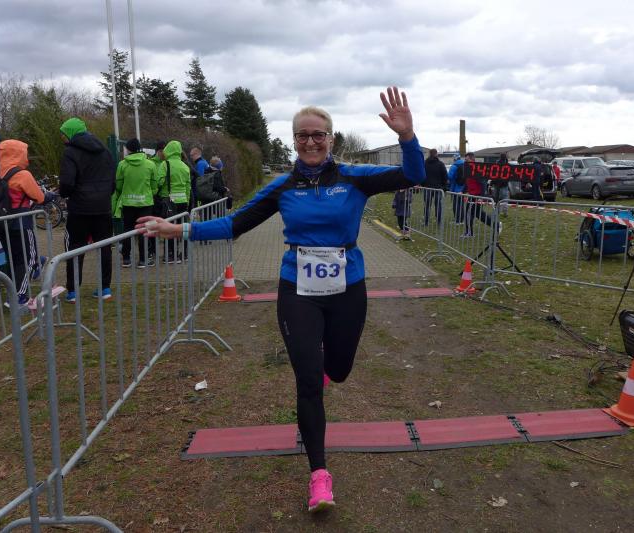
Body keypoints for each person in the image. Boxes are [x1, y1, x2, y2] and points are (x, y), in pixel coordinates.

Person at [136, 86, 425, 512]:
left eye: (318, 134)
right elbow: (235, 224)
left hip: (347, 288)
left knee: (338, 370)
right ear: (294, 141)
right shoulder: (283, 186)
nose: (311, 141)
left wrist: (407, 137)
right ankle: (319, 475)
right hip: (298, 291)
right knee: (308, 382)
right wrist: (180, 230)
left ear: (331, 139)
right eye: (303, 135)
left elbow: (414, 174)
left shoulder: (354, 178)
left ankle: (325, 370)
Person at [58, 117, 115, 303]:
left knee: (75, 248)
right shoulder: (105, 151)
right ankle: (105, 288)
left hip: (80, 209)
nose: (62, 138)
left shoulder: (70, 152)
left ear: (71, 133)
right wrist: (105, 195)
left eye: (63, 134)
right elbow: (112, 179)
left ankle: (73, 291)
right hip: (103, 208)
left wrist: (64, 194)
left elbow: (67, 183)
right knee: (104, 247)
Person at [0, 140, 54, 306]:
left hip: (2, 225)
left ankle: (14, 292)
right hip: (21, 222)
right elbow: (39, 198)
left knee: (13, 260)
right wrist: (50, 196)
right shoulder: (22, 174)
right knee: (27, 258)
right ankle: (18, 297)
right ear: (18, 153)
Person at [116, 138, 158, 268]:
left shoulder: (122, 164)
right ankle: (144, 259)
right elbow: (154, 185)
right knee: (145, 230)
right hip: (146, 203)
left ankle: (126, 259)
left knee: (127, 229)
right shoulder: (150, 164)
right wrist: (149, 193)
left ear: (128, 149)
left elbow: (118, 185)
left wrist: (123, 194)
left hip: (128, 202)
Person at [155, 140, 191, 263]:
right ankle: (185, 253)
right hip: (183, 201)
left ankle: (170, 255)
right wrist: (187, 201)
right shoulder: (185, 166)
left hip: (169, 201)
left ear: (168, 150)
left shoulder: (165, 165)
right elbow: (188, 187)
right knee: (183, 229)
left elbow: (159, 182)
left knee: (169, 228)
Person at [463, 152, 499, 237]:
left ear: (472, 159)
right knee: (479, 215)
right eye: (465, 160)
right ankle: (496, 226)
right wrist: (464, 191)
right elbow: (468, 182)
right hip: (471, 194)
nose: (465, 161)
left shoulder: (476, 169)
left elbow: (483, 183)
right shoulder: (468, 169)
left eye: (467, 160)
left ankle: (469, 233)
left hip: (476, 195)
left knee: (469, 213)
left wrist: (481, 197)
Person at [422, 148, 447, 226]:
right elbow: (445, 176)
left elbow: (422, 175)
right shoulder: (440, 164)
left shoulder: (425, 163)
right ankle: (439, 222)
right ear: (436, 154)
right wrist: (443, 186)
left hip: (427, 187)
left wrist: (423, 184)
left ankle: (426, 222)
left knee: (427, 205)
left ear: (429, 154)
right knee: (438, 205)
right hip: (438, 188)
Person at [446, 154, 466, 224]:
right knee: (461, 204)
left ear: (454, 159)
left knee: (456, 204)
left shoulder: (454, 166)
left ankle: (457, 220)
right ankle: (462, 220)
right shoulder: (465, 165)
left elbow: (450, 176)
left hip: (455, 188)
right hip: (463, 188)